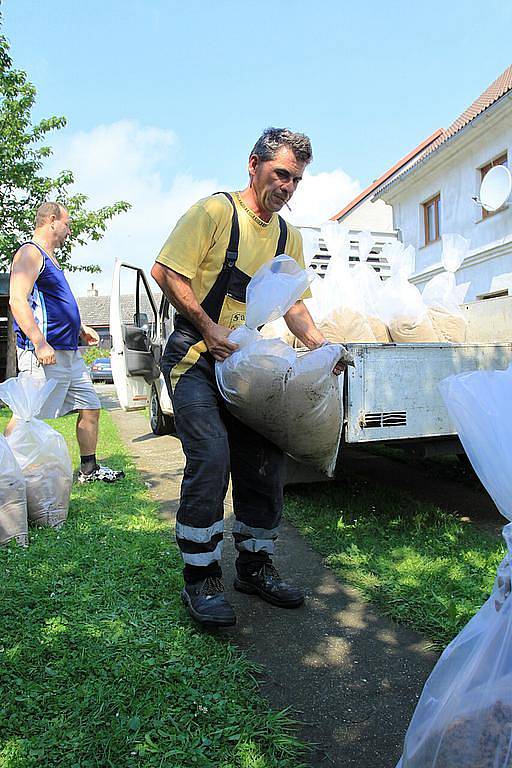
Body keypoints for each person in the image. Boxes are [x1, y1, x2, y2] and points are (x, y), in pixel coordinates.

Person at [151, 127, 344, 627]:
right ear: (253, 164)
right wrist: (209, 326)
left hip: (246, 368)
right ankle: (202, 577)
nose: (287, 187)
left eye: (296, 180)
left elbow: (293, 305)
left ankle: (254, 568)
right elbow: (167, 271)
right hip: (194, 356)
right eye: (280, 174)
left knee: (264, 460)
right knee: (212, 455)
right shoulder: (215, 213)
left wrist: (322, 348)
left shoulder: (288, 236)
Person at [7, 201, 125, 484]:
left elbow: (56, 303)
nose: (69, 231)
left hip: (69, 353)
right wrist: (39, 342)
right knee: (26, 413)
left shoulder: (51, 259)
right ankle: (6, 472)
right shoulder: (30, 253)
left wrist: (81, 327)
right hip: (45, 353)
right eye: (67, 224)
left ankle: (89, 469)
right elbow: (17, 300)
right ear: (51, 220)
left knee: (91, 406)